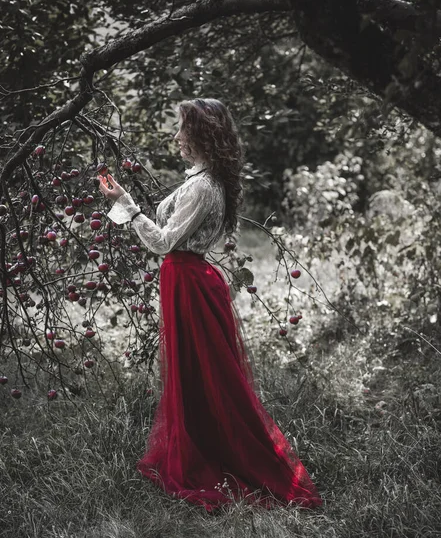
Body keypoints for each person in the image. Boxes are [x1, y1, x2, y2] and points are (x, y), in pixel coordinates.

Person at [97, 97, 322, 512]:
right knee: (196, 372)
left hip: (188, 280)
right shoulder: (201, 179)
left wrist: (127, 206)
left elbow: (164, 242)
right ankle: (202, 442)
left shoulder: (203, 186)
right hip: (185, 279)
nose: (177, 136)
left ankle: (226, 455)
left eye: (182, 128)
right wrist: (125, 200)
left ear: (200, 133)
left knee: (208, 374)